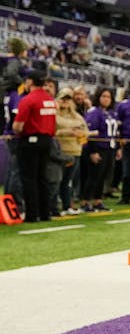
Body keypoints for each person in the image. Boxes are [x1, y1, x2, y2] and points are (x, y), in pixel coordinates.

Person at [11, 68, 55, 222]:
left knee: (29, 178)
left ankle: (31, 214)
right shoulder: (50, 100)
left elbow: (18, 126)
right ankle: (45, 213)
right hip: (47, 140)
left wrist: (16, 131)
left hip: (30, 141)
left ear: (30, 81)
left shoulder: (28, 100)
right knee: (42, 177)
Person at [82, 87, 119, 212]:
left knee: (103, 176)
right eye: (103, 96)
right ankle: (86, 201)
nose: (106, 99)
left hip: (110, 148)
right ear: (98, 97)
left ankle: (98, 200)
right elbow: (90, 133)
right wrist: (93, 151)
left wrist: (117, 148)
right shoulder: (94, 112)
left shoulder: (111, 113)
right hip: (98, 147)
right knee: (93, 176)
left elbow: (115, 132)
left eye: (108, 97)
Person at [53, 88, 88, 216]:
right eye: (63, 98)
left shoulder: (77, 115)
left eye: (68, 99)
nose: (65, 101)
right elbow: (53, 130)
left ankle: (67, 205)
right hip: (60, 151)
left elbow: (84, 129)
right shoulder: (54, 114)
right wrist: (68, 130)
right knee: (57, 180)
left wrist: (81, 135)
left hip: (76, 151)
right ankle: (55, 206)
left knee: (69, 181)